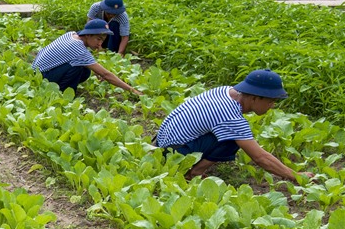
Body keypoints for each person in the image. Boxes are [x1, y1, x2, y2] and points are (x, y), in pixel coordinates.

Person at [156, 69, 308, 182]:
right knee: (233, 140)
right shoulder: (231, 116)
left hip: (162, 144)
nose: (272, 106)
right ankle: (192, 173)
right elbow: (260, 157)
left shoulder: (225, 91)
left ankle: (192, 167)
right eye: (270, 101)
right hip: (173, 154)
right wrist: (294, 176)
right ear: (254, 98)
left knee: (232, 135)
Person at [31, 19, 141, 96]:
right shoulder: (78, 48)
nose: (100, 44)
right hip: (41, 77)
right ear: (88, 35)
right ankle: (62, 93)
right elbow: (106, 74)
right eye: (98, 39)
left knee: (85, 70)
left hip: (36, 72)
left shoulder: (71, 35)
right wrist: (132, 90)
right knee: (77, 68)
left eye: (103, 40)